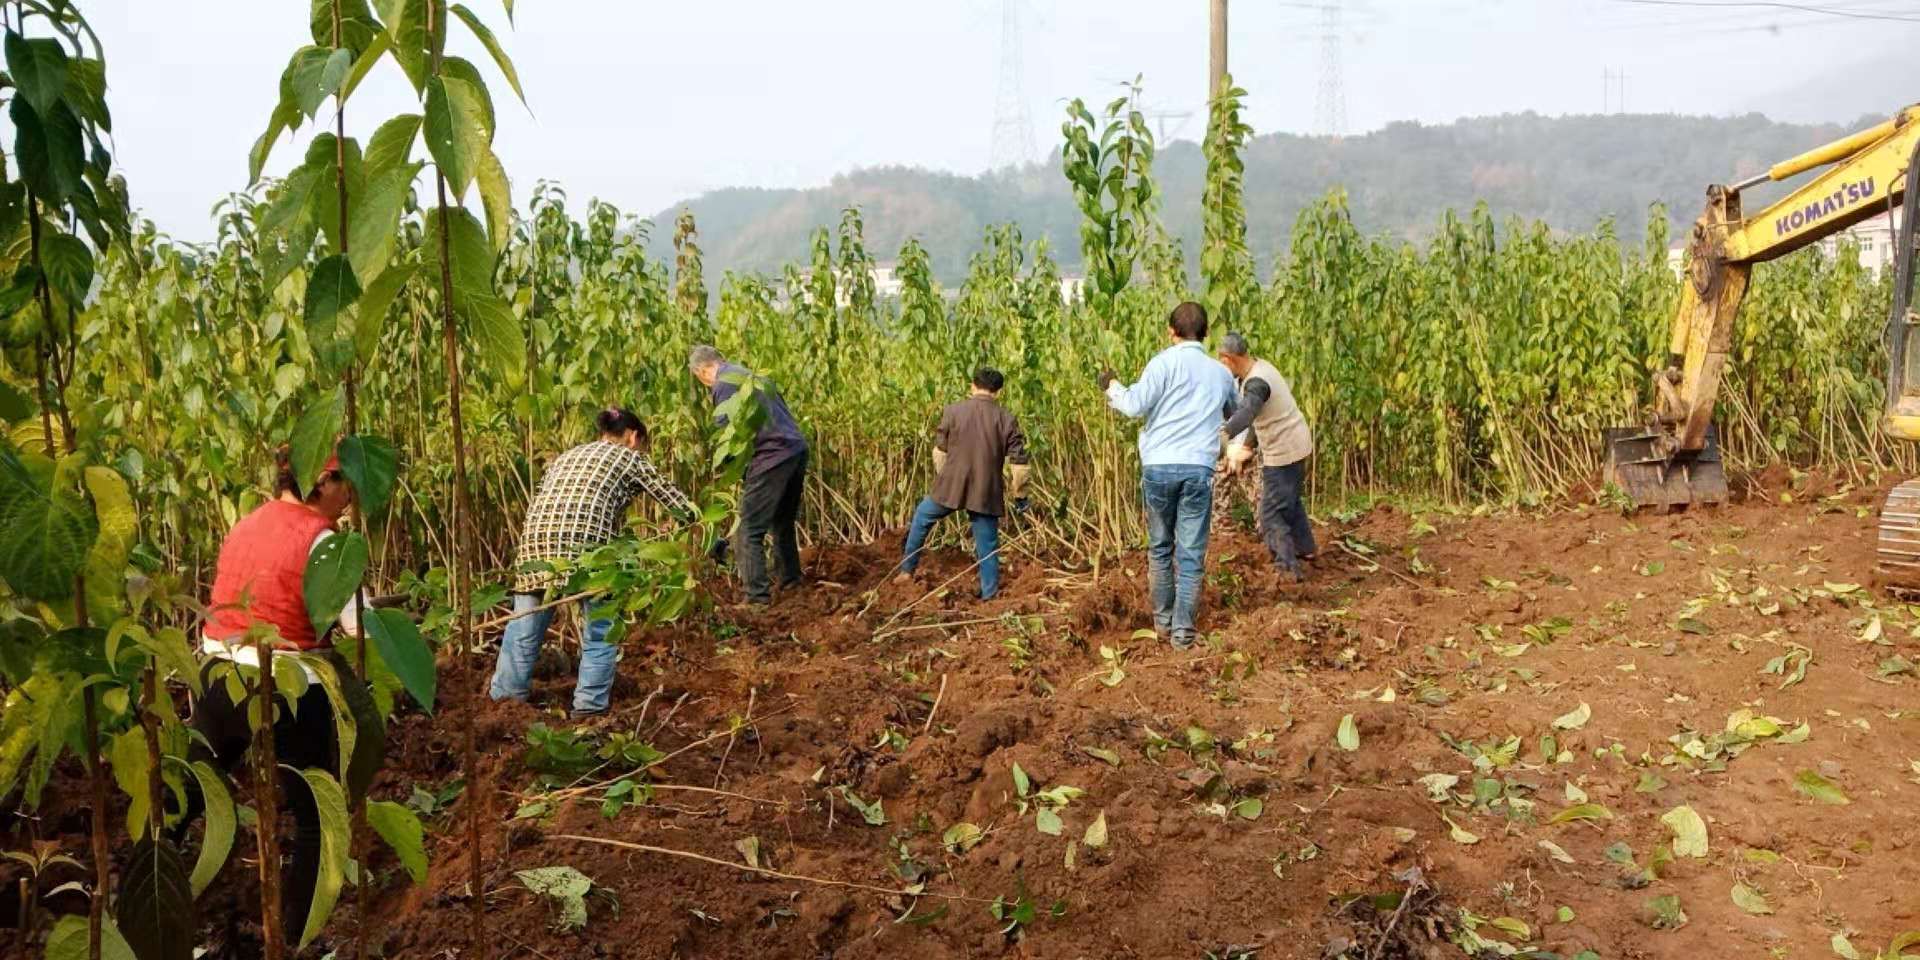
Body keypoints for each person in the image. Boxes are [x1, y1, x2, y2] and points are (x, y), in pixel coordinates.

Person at [191, 443, 367, 949]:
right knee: (315, 807)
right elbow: (356, 626)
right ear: (323, 482)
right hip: (286, 683)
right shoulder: (321, 538)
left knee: (192, 791)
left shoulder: (248, 522)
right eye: (343, 484)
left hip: (216, 674)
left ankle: (134, 899)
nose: (348, 497)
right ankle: (295, 936)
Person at [489, 408, 695, 717]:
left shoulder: (566, 457)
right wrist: (694, 531)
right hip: (589, 553)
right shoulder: (630, 458)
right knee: (601, 631)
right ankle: (588, 710)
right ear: (634, 437)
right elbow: (681, 506)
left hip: (535, 548)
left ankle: (504, 706)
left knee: (523, 629)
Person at [1100, 301, 1239, 649]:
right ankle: (1182, 635)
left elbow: (1133, 406)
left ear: (1171, 331)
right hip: (1198, 467)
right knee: (1190, 555)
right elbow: (1234, 414)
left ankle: (1162, 623)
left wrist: (1111, 385)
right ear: (1206, 334)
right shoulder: (1220, 373)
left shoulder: (1161, 363)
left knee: (1161, 547)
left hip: (1159, 465)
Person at [689, 345, 809, 607]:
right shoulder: (751, 375)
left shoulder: (723, 384)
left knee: (749, 529)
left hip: (771, 456)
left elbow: (727, 434)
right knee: (782, 521)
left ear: (703, 371)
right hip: (796, 450)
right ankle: (791, 580)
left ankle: (756, 598)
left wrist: (731, 469)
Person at [897, 367, 1031, 599]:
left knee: (921, 518)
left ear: (972, 386)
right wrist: (1020, 496)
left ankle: (907, 571)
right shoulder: (1007, 419)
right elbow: (1019, 465)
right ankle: (989, 595)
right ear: (999, 392)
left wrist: (944, 479)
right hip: (985, 490)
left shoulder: (953, 411)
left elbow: (940, 453)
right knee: (987, 545)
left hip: (951, 485)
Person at [1217, 333, 1318, 580]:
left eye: (1221, 362)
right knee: (1289, 500)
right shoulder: (1259, 369)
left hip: (1284, 451)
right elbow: (1257, 416)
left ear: (1228, 359)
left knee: (1271, 512)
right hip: (1294, 443)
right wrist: (1248, 446)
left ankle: (1286, 569)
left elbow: (1248, 412)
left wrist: (1224, 435)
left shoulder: (1257, 383)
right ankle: (1305, 548)